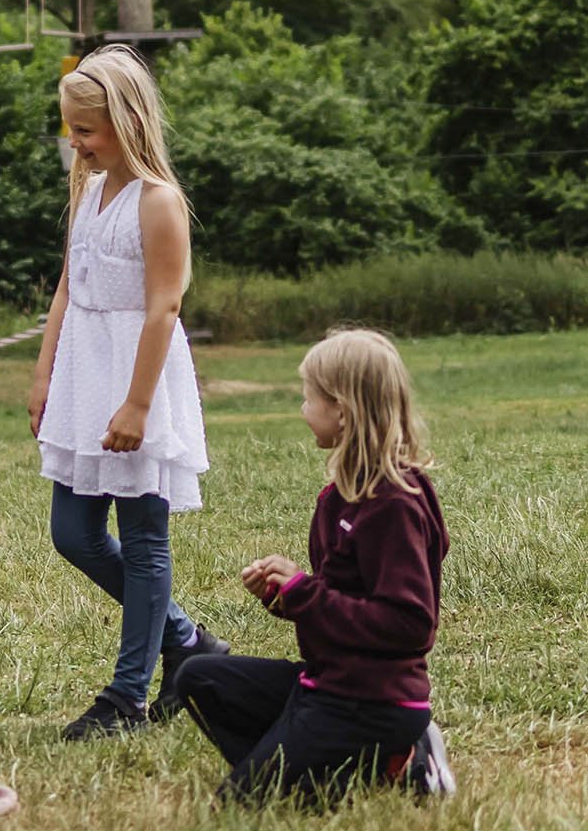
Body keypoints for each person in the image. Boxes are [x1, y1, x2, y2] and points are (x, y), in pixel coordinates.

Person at [28, 44, 228, 741]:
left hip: (137, 375)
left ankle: (126, 695)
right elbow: (67, 285)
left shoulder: (158, 201)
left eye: (86, 130)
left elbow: (164, 307)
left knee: (144, 537)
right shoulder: (88, 191)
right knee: (73, 533)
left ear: (127, 122)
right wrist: (45, 374)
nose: (76, 143)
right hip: (84, 376)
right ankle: (188, 640)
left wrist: (139, 404)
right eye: (71, 130)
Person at [176, 329, 457, 803]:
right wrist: (284, 596)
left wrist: (305, 592)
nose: (303, 410)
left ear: (342, 411)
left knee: (239, 802)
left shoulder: (394, 505)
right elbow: (341, 600)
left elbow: (409, 624)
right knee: (198, 676)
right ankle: (314, 768)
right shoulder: (339, 496)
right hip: (323, 683)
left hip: (371, 702)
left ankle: (402, 759)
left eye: (309, 398)